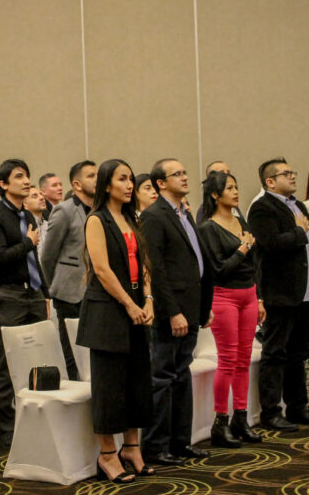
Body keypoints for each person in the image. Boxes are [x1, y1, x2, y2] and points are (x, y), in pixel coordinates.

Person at [76, 159, 155, 483]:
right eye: (122, 179)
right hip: (108, 312)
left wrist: (147, 300)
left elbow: (144, 263)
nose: (129, 185)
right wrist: (129, 304)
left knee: (136, 382)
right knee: (109, 387)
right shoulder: (97, 219)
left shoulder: (131, 218)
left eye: (131, 179)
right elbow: (102, 270)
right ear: (107, 185)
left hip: (135, 307)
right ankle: (107, 454)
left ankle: (132, 449)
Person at [141, 158, 214, 465]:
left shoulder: (184, 213)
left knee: (182, 375)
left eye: (184, 172)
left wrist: (204, 306)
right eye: (177, 174)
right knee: (162, 378)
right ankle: (155, 446)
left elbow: (196, 262)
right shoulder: (154, 216)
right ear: (161, 183)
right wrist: (172, 311)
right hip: (171, 312)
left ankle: (180, 442)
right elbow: (156, 269)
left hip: (191, 307)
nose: (185, 177)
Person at [0, 159, 50, 446]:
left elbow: (33, 260)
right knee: (6, 362)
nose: (26, 181)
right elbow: (0, 256)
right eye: (19, 176)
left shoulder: (28, 215)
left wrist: (45, 291)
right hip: (9, 295)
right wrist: (28, 243)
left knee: (38, 358)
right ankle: (7, 428)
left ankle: (37, 419)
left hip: (34, 293)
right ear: (3, 183)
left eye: (27, 176)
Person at [198, 172, 265, 447]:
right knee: (227, 360)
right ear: (215, 195)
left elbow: (254, 264)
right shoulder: (208, 228)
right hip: (224, 297)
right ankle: (220, 421)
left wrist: (259, 298)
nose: (236, 192)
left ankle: (241, 417)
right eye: (229, 188)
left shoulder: (240, 220)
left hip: (249, 294)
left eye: (236, 186)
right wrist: (243, 248)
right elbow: (218, 269)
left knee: (243, 360)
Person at [248, 158, 309, 431]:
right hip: (279, 292)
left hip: (302, 291)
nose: (293, 176)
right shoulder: (262, 208)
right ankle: (270, 411)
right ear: (270, 182)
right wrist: (299, 231)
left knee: (298, 352)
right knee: (275, 352)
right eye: (286, 174)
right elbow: (271, 243)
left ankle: (297, 406)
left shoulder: (298, 205)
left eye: (292, 172)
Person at [42, 160, 97, 380]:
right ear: (77, 184)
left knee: (95, 350)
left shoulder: (101, 209)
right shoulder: (64, 210)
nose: (97, 179)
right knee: (73, 352)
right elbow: (48, 256)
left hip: (97, 290)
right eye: (91, 175)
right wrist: (55, 285)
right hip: (69, 292)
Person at [196, 161, 244, 226]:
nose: (227, 175)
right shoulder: (204, 211)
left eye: (228, 172)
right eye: (222, 173)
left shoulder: (231, 204)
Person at [24, 185, 48, 264]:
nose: (41, 197)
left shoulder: (49, 225)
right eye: (34, 196)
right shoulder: (24, 228)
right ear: (25, 205)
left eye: (41, 194)